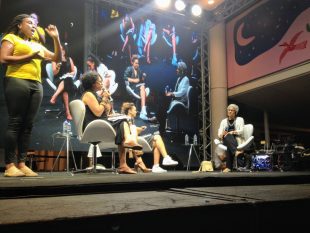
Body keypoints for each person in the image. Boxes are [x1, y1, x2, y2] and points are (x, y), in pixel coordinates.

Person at [0, 14, 62, 177]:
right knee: (15, 122)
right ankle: (9, 165)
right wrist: (31, 56)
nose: (33, 26)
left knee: (28, 125)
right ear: (19, 25)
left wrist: (56, 39)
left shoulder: (36, 45)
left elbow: (57, 58)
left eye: (35, 24)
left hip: (36, 84)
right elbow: (4, 58)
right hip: (17, 80)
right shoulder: (11, 37)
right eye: (29, 23)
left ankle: (22, 163)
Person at [81, 71, 142, 174]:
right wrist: (104, 98)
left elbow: (105, 113)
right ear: (93, 83)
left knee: (123, 121)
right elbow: (97, 112)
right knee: (123, 122)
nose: (101, 83)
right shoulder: (88, 94)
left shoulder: (94, 95)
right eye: (99, 81)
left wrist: (110, 107)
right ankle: (127, 145)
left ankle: (123, 164)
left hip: (100, 122)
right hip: (93, 126)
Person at [121, 102, 179, 173]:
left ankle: (156, 166)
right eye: (134, 110)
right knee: (157, 137)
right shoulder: (128, 119)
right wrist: (137, 129)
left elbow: (132, 130)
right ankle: (165, 158)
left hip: (136, 139)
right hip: (133, 141)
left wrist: (139, 129)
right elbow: (130, 131)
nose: (136, 111)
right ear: (129, 111)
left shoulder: (130, 119)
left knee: (157, 142)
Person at [50, 44, 77, 120]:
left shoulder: (69, 59)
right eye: (60, 50)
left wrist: (70, 73)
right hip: (58, 79)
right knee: (65, 86)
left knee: (67, 79)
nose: (62, 51)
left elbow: (73, 71)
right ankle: (68, 112)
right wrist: (58, 66)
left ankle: (55, 95)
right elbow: (55, 73)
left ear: (65, 50)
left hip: (68, 79)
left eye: (63, 49)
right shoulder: (54, 59)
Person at [123, 55, 152, 121]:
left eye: (138, 63)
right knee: (142, 87)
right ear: (132, 63)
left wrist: (143, 77)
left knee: (143, 88)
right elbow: (125, 78)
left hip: (138, 87)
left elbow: (141, 81)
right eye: (136, 63)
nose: (137, 64)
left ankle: (143, 111)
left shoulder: (139, 70)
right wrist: (134, 80)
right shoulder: (129, 68)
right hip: (131, 88)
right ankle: (143, 111)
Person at [217, 104, 245, 172]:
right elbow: (220, 131)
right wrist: (220, 135)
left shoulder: (240, 119)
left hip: (236, 138)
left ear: (235, 112)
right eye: (228, 110)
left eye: (231, 110)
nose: (229, 111)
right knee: (226, 136)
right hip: (226, 138)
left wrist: (232, 132)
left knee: (228, 143)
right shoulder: (223, 121)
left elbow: (242, 130)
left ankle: (229, 167)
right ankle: (236, 151)